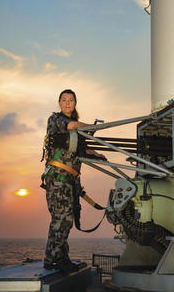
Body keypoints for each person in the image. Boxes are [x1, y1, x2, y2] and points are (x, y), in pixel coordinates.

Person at [43, 89, 105, 273]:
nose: (67, 103)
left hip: (70, 182)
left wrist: (98, 155)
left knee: (67, 220)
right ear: (59, 103)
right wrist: (92, 128)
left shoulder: (77, 131)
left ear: (75, 103)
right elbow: (71, 126)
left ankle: (61, 257)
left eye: (71, 100)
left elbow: (81, 150)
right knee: (60, 219)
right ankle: (51, 259)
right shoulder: (55, 120)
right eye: (64, 100)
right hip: (57, 181)